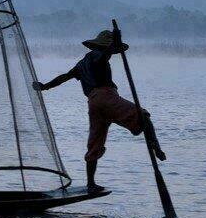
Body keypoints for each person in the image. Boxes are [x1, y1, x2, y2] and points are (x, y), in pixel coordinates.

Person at [33, 29, 165, 192]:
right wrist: (113, 45)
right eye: (111, 49)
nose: (111, 54)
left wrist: (45, 86)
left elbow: (64, 77)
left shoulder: (82, 64)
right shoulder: (98, 55)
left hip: (93, 103)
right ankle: (156, 147)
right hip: (106, 97)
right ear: (104, 47)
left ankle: (90, 183)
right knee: (143, 116)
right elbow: (103, 57)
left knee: (95, 143)